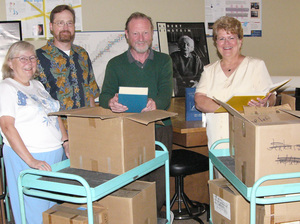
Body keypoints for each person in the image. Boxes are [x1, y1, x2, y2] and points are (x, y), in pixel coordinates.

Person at [98, 12, 173, 217]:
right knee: (131, 182)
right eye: (136, 33)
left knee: (158, 183)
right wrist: (111, 102)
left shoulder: (164, 61)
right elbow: (104, 96)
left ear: (152, 35)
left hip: (159, 129)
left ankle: (153, 217)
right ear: (127, 35)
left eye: (145, 33)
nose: (141, 38)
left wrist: (155, 103)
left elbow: (166, 93)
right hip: (127, 132)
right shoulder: (115, 64)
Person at [0, 41, 69, 224]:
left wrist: (65, 142)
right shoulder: (7, 87)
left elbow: (53, 113)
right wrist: (31, 161)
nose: (29, 62)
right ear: (10, 63)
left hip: (52, 157)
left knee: (50, 212)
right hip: (28, 158)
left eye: (32, 58)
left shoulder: (37, 85)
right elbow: (7, 127)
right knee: (34, 214)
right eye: (22, 58)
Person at [194, 16, 276, 150]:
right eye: (221, 38)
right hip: (218, 141)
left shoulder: (256, 65)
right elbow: (199, 101)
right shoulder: (209, 70)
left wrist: (265, 103)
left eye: (231, 37)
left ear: (240, 41)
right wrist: (233, 109)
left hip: (248, 139)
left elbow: (271, 97)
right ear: (216, 43)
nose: (226, 43)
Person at [36, 4, 100, 129]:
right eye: (60, 23)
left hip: (85, 127)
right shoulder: (38, 57)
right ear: (51, 27)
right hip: (56, 131)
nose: (65, 27)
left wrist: (94, 125)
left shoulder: (82, 54)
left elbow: (90, 93)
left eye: (69, 23)